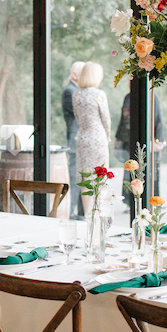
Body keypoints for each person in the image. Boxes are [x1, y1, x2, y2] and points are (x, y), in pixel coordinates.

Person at [72, 61, 111, 216]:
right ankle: (98, 211)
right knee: (100, 176)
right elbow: (106, 118)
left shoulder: (76, 94)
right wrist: (108, 135)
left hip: (82, 136)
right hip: (97, 137)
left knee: (85, 177)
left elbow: (77, 117)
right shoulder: (99, 94)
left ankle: (87, 216)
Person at [114, 92, 166, 205]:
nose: (129, 81)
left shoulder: (152, 96)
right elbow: (122, 120)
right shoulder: (128, 96)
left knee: (147, 170)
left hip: (147, 140)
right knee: (131, 170)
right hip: (129, 140)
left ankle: (151, 200)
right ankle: (130, 201)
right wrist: (117, 138)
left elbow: (158, 119)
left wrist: (158, 141)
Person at [61, 61, 85, 220]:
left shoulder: (78, 91)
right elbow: (80, 115)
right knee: (74, 175)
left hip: (81, 138)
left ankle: (81, 212)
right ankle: (70, 212)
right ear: (74, 75)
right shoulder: (70, 91)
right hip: (75, 138)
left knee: (81, 175)